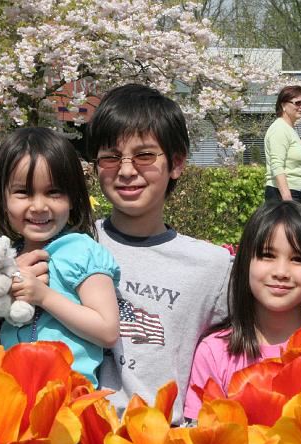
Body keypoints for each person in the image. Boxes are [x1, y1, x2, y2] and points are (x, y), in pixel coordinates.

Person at [87, 83, 232, 424]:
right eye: (110, 157)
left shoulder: (212, 267)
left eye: (145, 156)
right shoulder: (76, 244)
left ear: (177, 163)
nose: (125, 170)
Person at [0, 127, 120, 386]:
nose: (38, 206)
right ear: (2, 198)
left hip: (67, 396)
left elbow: (107, 330)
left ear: (72, 198)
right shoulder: (4, 259)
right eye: (23, 192)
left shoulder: (80, 250)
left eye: (53, 192)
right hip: (12, 393)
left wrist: (45, 297)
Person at [183, 201, 301, 419]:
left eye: (298, 259)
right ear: (246, 262)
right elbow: (202, 436)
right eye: (267, 255)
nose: (281, 272)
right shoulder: (215, 352)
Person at [263, 85, 301, 205]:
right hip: (283, 195)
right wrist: (287, 200)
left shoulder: (290, 129)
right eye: (297, 103)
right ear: (283, 105)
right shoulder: (279, 129)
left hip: (296, 193)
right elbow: (277, 164)